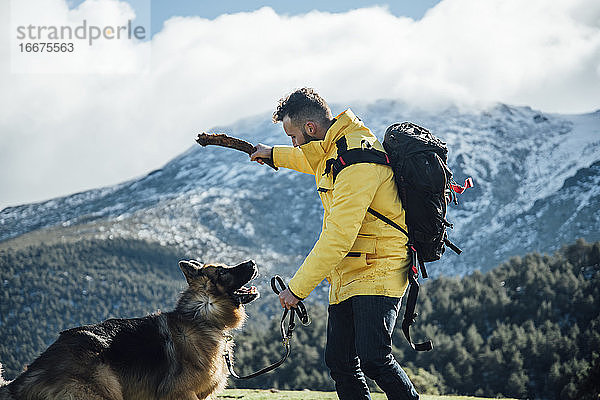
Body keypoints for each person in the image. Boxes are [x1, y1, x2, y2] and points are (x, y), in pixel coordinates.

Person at [250, 88, 419, 400]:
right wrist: (272, 153)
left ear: (311, 128)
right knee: (340, 362)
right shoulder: (335, 148)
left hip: (378, 268)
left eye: (293, 136)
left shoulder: (356, 161)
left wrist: (296, 289)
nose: (293, 144)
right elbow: (310, 159)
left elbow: (338, 238)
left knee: (374, 359)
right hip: (350, 272)